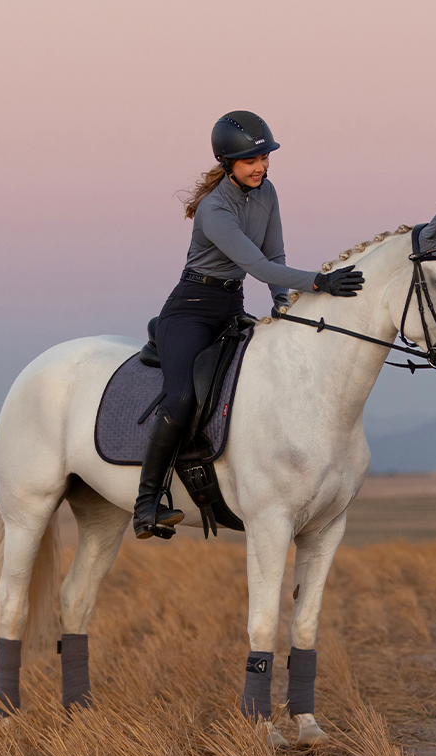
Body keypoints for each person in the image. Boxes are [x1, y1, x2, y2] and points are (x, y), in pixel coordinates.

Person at [133, 110, 364, 539]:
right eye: (251, 160)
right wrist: (320, 282)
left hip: (230, 306)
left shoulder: (268, 192)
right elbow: (256, 264)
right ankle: (146, 503)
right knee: (182, 396)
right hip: (190, 310)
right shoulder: (214, 209)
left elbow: (274, 255)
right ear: (228, 164)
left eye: (264, 157)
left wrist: (283, 304)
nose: (261, 166)